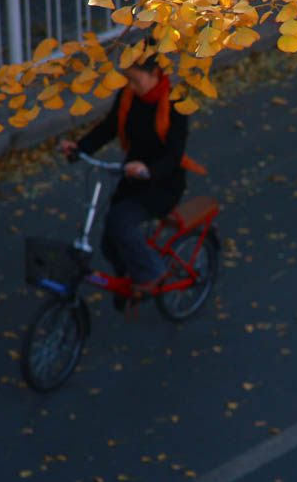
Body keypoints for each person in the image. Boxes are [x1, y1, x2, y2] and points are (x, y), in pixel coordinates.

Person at [60, 50, 203, 310]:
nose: (132, 87)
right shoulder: (128, 97)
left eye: (137, 81)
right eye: (129, 81)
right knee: (109, 242)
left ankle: (152, 273)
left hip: (163, 182)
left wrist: (148, 169)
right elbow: (108, 128)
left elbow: (174, 155)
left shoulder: (175, 102)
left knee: (119, 221)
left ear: (155, 74)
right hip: (133, 176)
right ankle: (133, 282)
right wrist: (79, 149)